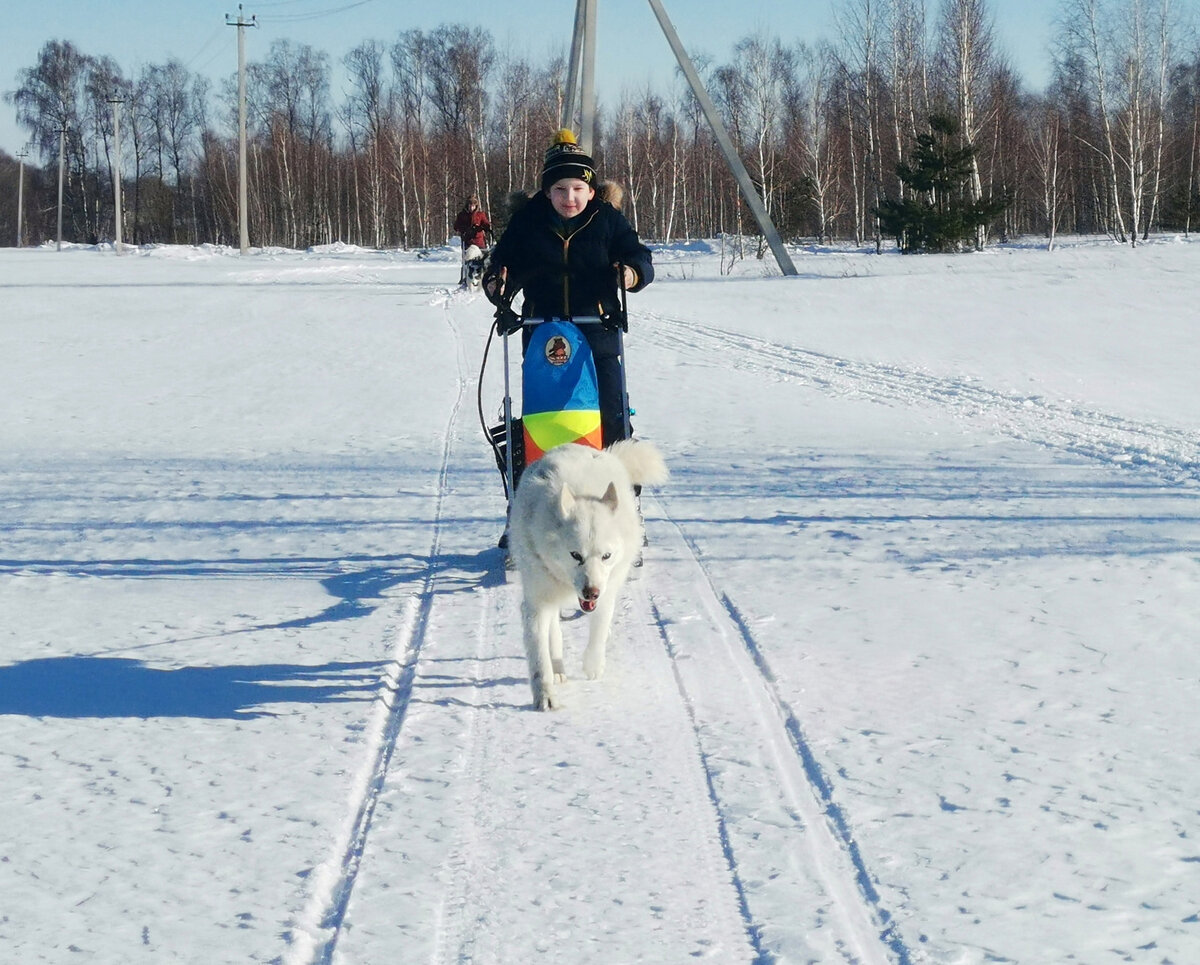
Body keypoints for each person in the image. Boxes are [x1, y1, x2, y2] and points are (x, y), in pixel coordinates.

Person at [484, 129, 654, 449]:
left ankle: (621, 488)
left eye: (578, 188)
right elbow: (501, 263)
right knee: (548, 417)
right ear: (547, 192)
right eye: (560, 189)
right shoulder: (527, 222)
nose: (570, 198)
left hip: (598, 331)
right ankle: (543, 483)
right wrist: (497, 283)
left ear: (591, 191)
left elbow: (638, 256)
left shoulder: (607, 220)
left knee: (612, 414)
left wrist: (631, 274)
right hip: (541, 333)